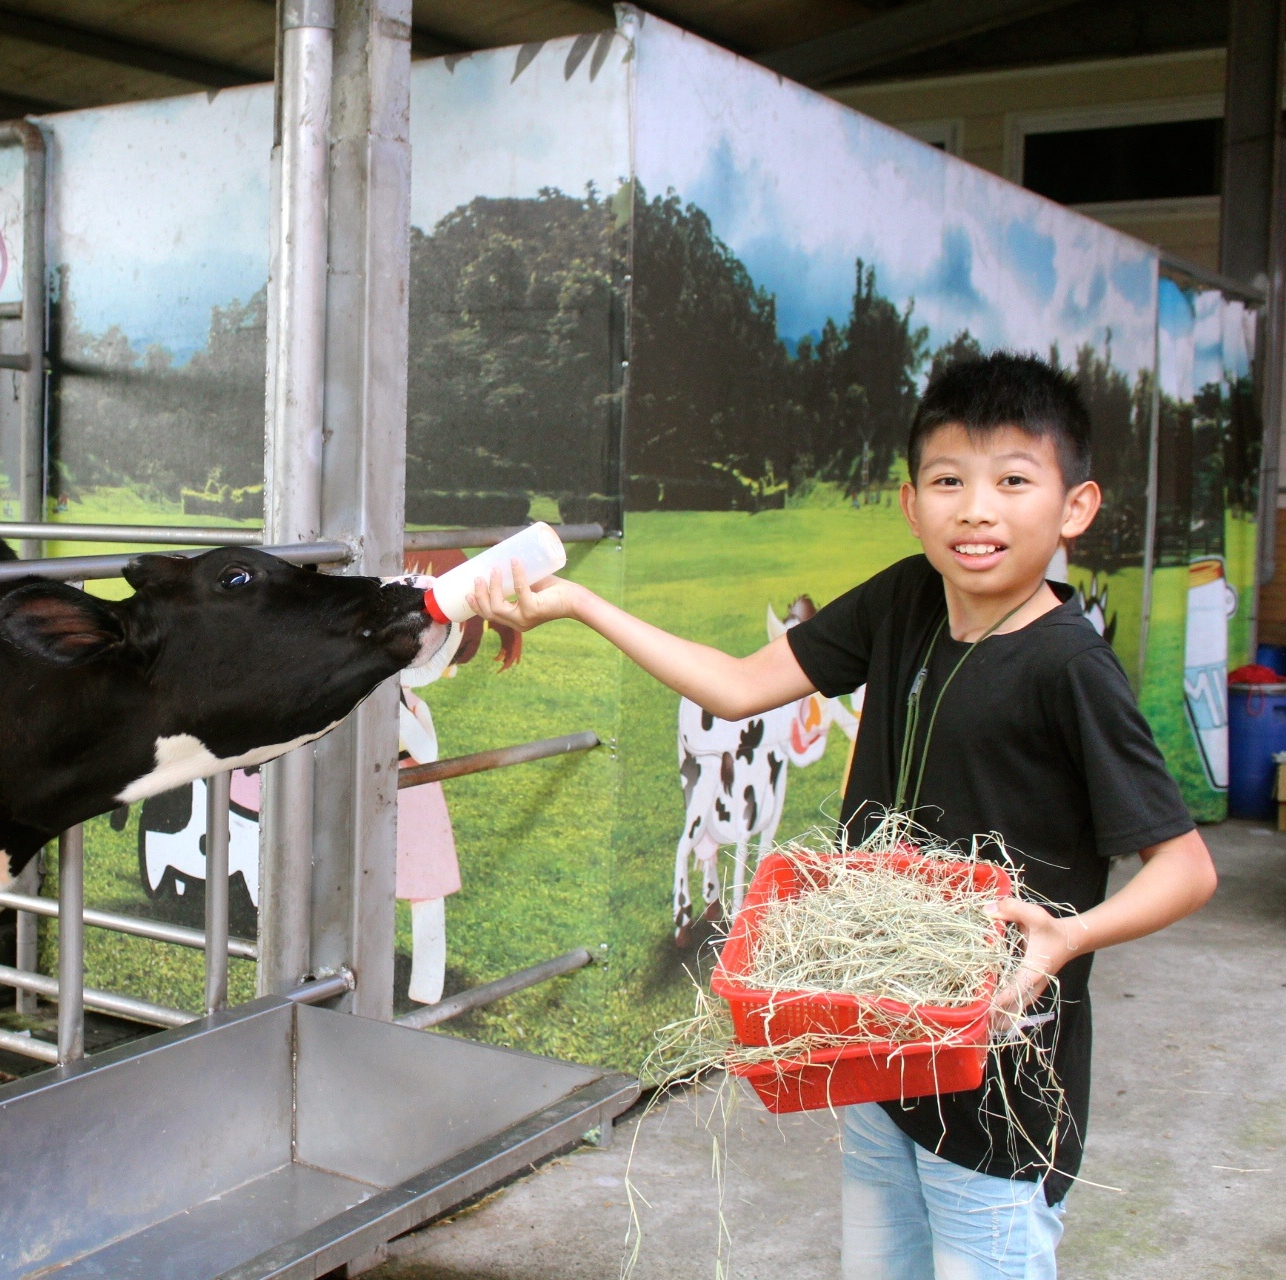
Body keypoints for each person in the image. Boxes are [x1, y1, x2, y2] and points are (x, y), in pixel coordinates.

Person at [468, 353, 1218, 1280]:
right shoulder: (904, 599)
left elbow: (1186, 868)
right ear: (912, 503)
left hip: (999, 1073)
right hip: (878, 1045)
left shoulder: (1072, 670)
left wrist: (1067, 938)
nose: (976, 509)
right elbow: (743, 687)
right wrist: (581, 603)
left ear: (1074, 508)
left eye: (1013, 481)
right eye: (949, 481)